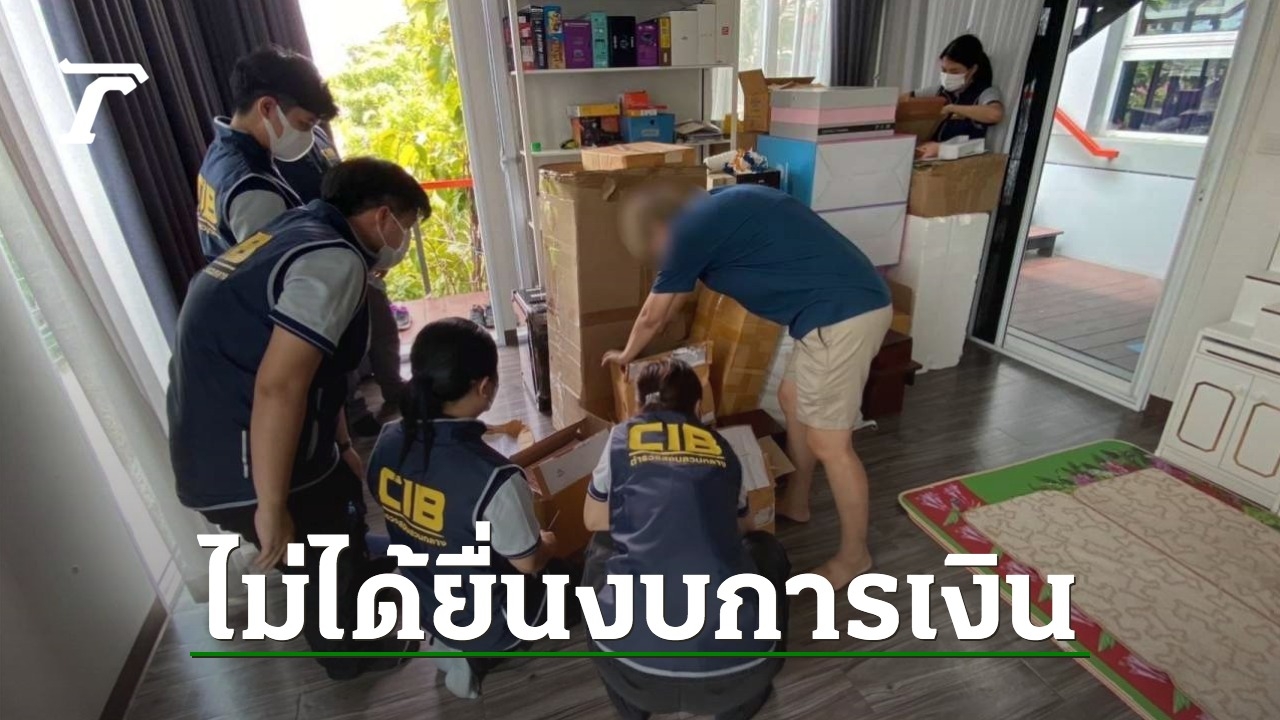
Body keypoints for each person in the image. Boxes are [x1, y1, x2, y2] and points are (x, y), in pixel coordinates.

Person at [167, 157, 430, 679]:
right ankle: (352, 656)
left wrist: (341, 446)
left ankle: (357, 582)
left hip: (215, 441)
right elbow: (280, 386)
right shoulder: (334, 261)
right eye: (406, 225)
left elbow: (318, 372)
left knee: (338, 515)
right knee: (321, 550)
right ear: (383, 217)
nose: (403, 241)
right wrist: (270, 506)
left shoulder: (297, 227)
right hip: (242, 452)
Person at [605, 182, 892, 589]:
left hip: (842, 315)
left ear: (659, 229)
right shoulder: (708, 213)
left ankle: (854, 557)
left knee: (831, 443)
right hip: (831, 311)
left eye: (655, 251)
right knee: (791, 396)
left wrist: (626, 354)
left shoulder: (688, 231)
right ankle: (797, 500)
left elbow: (655, 314)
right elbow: (672, 301)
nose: (661, 260)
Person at [583, 358, 790, 720]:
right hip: (734, 674)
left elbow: (593, 519)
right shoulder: (722, 448)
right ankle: (740, 706)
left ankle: (631, 707)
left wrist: (646, 518)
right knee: (767, 549)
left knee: (599, 547)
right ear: (697, 407)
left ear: (638, 404)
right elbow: (745, 528)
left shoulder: (620, 439)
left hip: (633, 672)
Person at [366, 317, 559, 699]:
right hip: (485, 621)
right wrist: (549, 542)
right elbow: (529, 563)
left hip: (425, 600)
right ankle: (482, 653)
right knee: (567, 574)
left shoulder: (387, 440)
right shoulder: (495, 476)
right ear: (484, 386)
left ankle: (449, 640)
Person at [278, 125, 407, 434]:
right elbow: (276, 387)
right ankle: (353, 412)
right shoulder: (280, 156)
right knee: (342, 346)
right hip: (330, 263)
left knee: (383, 330)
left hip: (358, 259)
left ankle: (393, 387)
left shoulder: (318, 137)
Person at [195, 45, 337, 261]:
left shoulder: (221, 152)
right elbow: (283, 268)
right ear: (267, 107)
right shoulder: (254, 190)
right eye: (304, 124)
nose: (309, 138)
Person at [903, 34, 1005, 159]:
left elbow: (995, 114)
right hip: (931, 157)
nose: (947, 76)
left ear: (972, 70)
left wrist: (952, 108)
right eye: (944, 70)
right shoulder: (939, 91)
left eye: (954, 71)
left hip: (964, 161)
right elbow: (903, 99)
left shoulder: (984, 92)